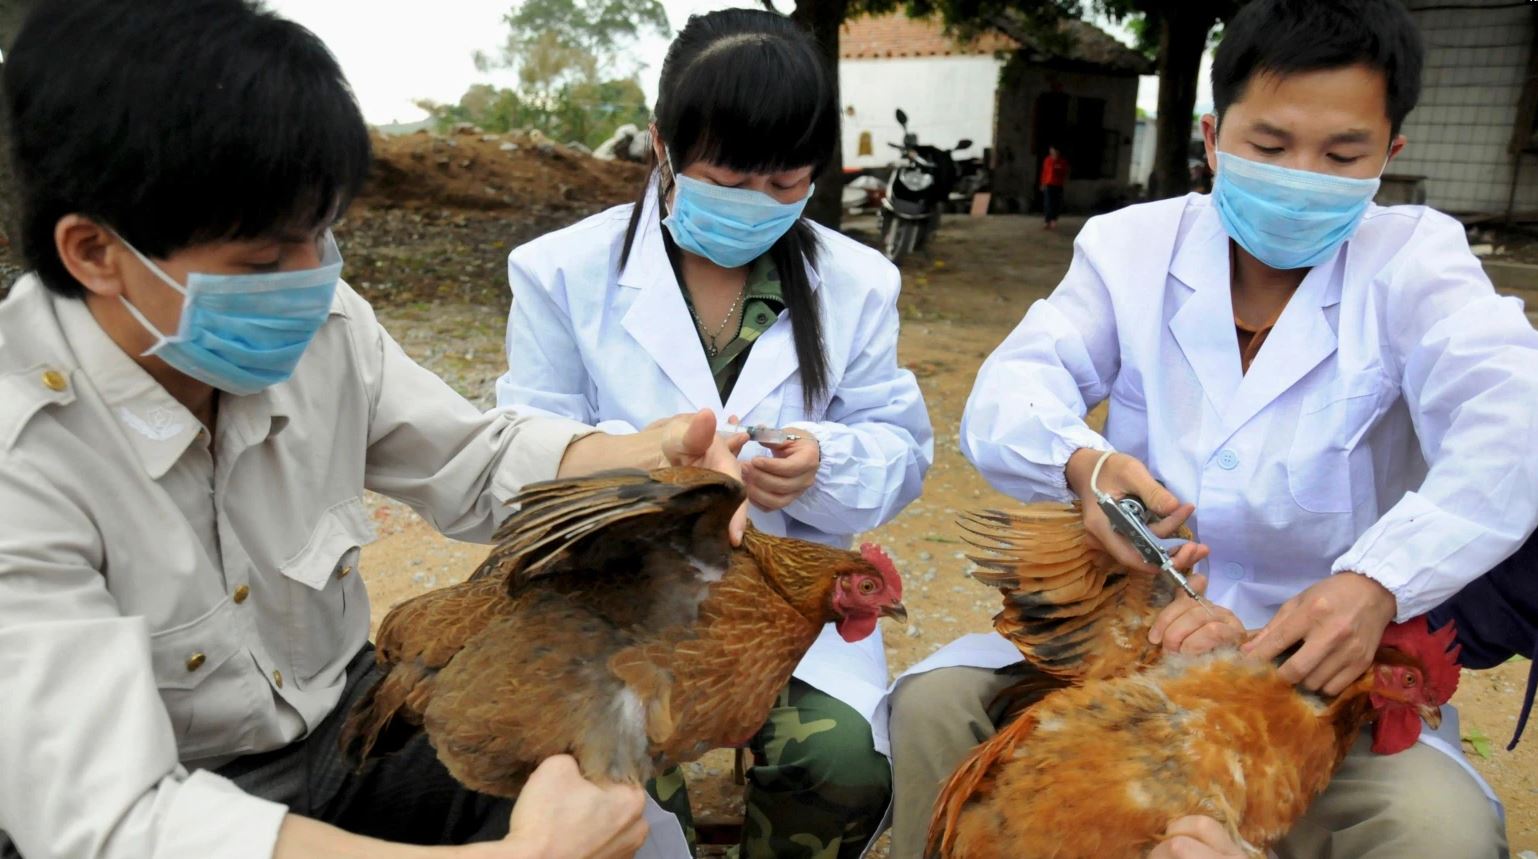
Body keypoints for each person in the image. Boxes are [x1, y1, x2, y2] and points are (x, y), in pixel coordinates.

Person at [0, 2, 751, 858]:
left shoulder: (321, 324)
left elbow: (473, 460)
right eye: (264, 261)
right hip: (180, 796)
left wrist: (649, 455)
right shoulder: (20, 458)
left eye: (321, 234)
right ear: (95, 250)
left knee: (623, 816)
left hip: (344, 723)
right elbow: (119, 821)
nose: (313, 276)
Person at [886, 0, 1538, 856]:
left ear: (1390, 154)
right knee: (936, 707)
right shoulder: (1132, 247)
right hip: (1130, 641)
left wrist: (1377, 581)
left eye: (1342, 153)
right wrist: (1085, 463)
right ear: (1212, 135)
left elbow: (1516, 422)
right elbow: (1011, 390)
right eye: (1269, 146)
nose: (1302, 172)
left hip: (1321, 679)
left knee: (1435, 829)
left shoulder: (1419, 265)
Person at [494, 10, 934, 857]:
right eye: (730, 176)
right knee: (613, 785)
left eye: (785, 183)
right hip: (616, 602)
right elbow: (528, 450)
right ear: (662, 146)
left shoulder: (857, 283)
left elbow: (902, 449)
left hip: (780, 613)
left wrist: (823, 461)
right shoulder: (560, 273)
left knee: (841, 764)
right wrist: (659, 474)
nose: (757, 203)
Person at [1038, 145, 1069, 230]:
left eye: (1054, 150)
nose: (1052, 152)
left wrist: (1057, 167)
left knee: (1056, 203)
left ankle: (1053, 220)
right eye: (1051, 150)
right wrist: (1042, 183)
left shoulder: (1062, 161)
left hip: (1058, 185)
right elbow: (1044, 172)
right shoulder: (1047, 160)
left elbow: (1064, 173)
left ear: (1058, 152)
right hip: (1048, 184)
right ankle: (1047, 220)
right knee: (1048, 203)